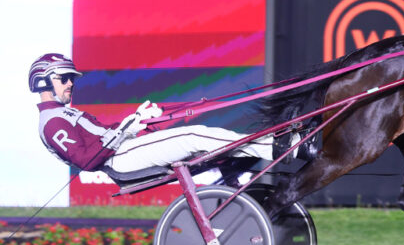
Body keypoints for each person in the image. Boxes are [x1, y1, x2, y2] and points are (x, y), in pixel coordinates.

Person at [30, 53, 276, 178]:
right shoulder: (52, 123)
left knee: (200, 139)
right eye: (64, 78)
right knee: (193, 135)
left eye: (71, 79)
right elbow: (86, 159)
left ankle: (269, 148)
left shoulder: (63, 113)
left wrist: (137, 121)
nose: (70, 84)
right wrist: (125, 129)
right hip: (120, 160)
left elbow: (103, 137)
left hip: (124, 151)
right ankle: (274, 148)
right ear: (42, 82)